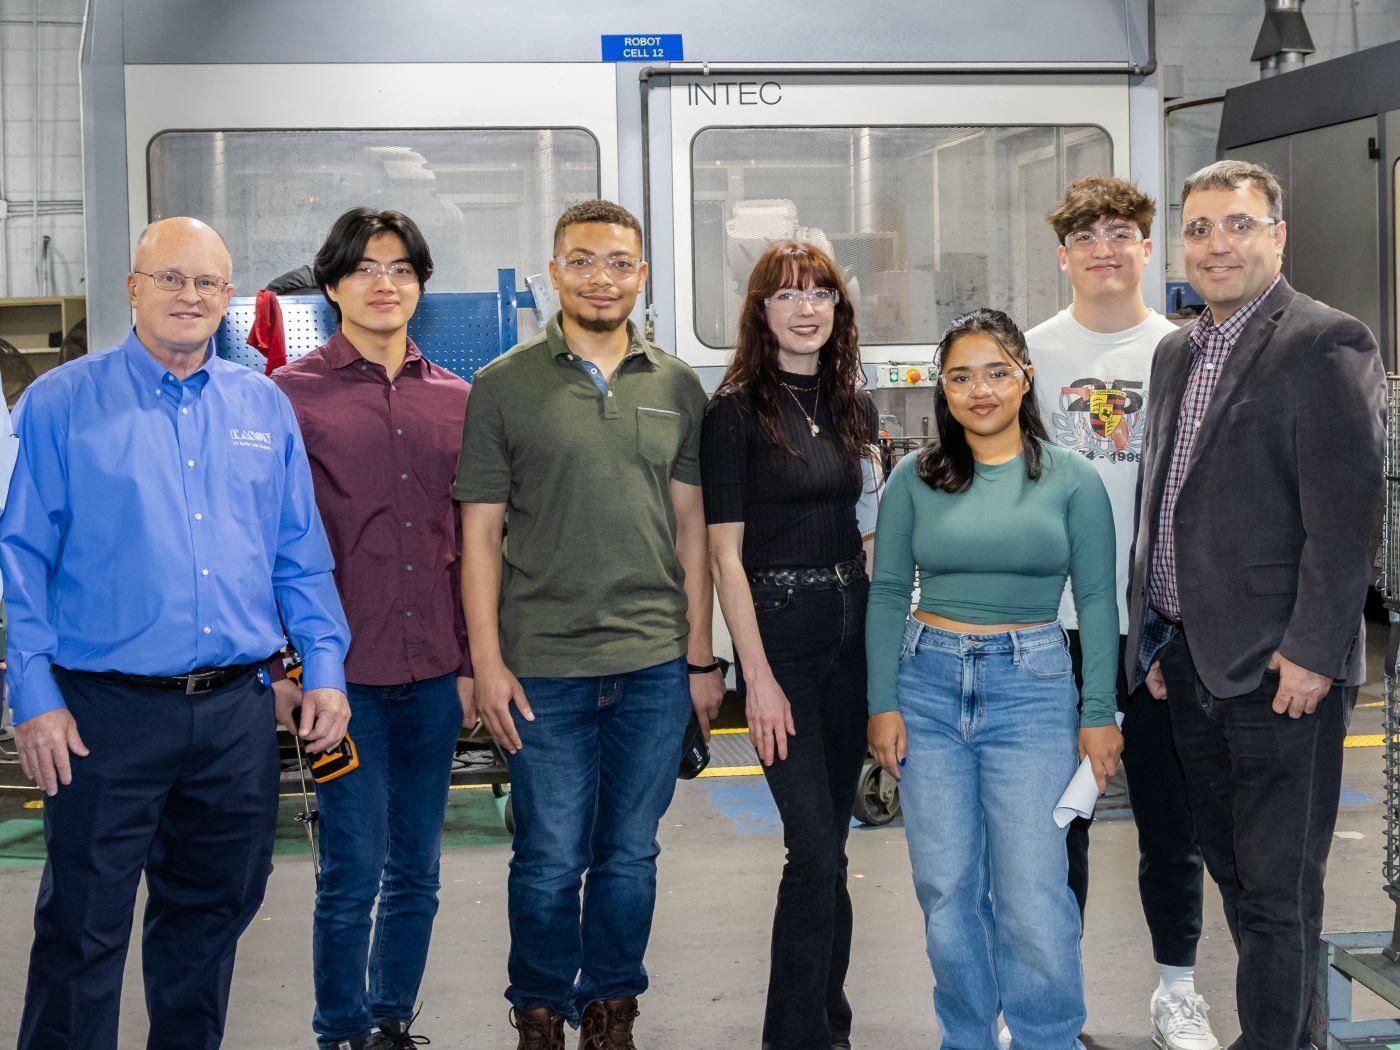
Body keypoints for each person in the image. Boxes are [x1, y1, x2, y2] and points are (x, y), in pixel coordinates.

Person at [1, 216, 351, 1050]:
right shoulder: (62, 402)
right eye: (170, 278)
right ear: (133, 289)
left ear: (228, 297)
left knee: (213, 916)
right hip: (101, 716)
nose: (189, 296)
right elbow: (21, 557)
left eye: (206, 283)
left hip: (235, 712)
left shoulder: (261, 404)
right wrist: (34, 694)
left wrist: (327, 667)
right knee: (83, 925)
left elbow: (300, 554)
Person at [1124, 159, 1385, 1050]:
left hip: (1283, 672)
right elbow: (1166, 504)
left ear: (1278, 234)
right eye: (1198, 228)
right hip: (1191, 663)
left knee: (1278, 894)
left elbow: (1347, 521)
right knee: (1236, 877)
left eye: (1237, 224)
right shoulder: (1176, 350)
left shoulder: (1326, 340)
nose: (1216, 244)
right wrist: (1156, 640)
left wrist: (1314, 652)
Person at [455, 199, 726, 1050]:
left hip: (651, 662)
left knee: (630, 854)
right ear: (553, 271)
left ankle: (613, 1007)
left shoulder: (678, 384)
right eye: (581, 260)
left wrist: (697, 658)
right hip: (543, 667)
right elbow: (479, 536)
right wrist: (488, 662)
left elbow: (693, 530)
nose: (600, 276)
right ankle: (539, 1010)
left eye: (617, 261)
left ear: (641, 276)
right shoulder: (504, 386)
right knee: (547, 857)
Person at [867, 309, 1120, 1049]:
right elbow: (887, 593)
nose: (981, 390)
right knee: (946, 891)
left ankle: (1047, 1038)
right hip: (928, 685)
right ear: (942, 390)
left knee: (1034, 893)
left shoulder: (1073, 480)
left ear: (1025, 378)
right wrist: (882, 701)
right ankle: (968, 1037)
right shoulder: (915, 480)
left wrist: (1099, 712)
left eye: (997, 372)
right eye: (961, 377)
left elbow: (1100, 599)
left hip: (1033, 687)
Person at [271, 207, 473, 1050]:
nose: (383, 283)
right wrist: (286, 666)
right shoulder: (287, 398)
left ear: (420, 285)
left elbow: (474, 543)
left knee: (419, 870)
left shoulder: (461, 399)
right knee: (352, 870)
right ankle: (339, 1029)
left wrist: (472, 664)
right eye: (364, 268)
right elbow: (268, 544)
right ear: (332, 285)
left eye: (400, 268)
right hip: (337, 679)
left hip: (434, 673)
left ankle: (391, 1020)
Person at [1028, 177, 1217, 1050]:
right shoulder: (1027, 355)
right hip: (1054, 627)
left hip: (1157, 627)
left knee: (1169, 823)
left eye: (1122, 233)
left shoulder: (1185, 351)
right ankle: (1046, 1005)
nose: (1105, 249)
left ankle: (1177, 989)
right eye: (1086, 236)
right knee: (1052, 823)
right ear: (1063, 254)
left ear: (1148, 250)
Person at [701, 241, 878, 1050]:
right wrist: (756, 681)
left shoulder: (851, 403)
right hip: (782, 645)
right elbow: (723, 556)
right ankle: (795, 1039)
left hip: (852, 637)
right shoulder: (735, 411)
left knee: (832, 850)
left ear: (838, 310)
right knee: (810, 850)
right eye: (787, 295)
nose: (806, 308)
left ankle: (827, 1025)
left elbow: (865, 534)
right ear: (760, 312)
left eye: (821, 294)